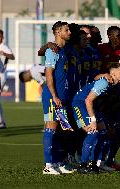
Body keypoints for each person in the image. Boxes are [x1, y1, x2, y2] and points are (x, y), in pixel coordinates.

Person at [72, 63, 120, 174]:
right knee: (93, 132)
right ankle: (83, 165)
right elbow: (88, 100)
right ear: (113, 74)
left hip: (92, 106)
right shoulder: (104, 83)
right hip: (80, 104)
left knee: (104, 133)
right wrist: (93, 120)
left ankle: (94, 164)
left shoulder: (112, 83)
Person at [42, 21, 74, 175]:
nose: (69, 32)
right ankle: (48, 166)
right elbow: (49, 75)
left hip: (63, 96)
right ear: (57, 32)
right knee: (51, 129)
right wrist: (54, 96)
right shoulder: (52, 51)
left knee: (62, 131)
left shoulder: (63, 50)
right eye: (66, 30)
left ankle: (58, 162)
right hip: (52, 96)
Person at [0, 29, 15, 129]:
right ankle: (1, 122)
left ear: (2, 38)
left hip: (0, 75)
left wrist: (5, 54)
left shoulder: (4, 47)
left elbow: (12, 56)